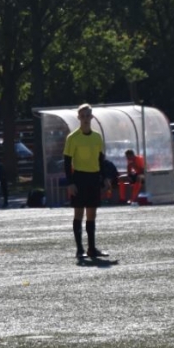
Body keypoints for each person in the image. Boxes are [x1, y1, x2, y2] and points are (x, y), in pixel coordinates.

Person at [63, 104, 111, 259]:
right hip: (79, 178)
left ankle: (92, 248)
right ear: (79, 118)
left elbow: (100, 159)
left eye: (87, 115)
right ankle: (79, 250)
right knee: (79, 213)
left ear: (91, 117)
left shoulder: (97, 137)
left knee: (92, 214)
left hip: (93, 178)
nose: (85, 119)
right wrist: (70, 183)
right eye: (82, 116)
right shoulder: (72, 138)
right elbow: (67, 161)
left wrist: (105, 177)